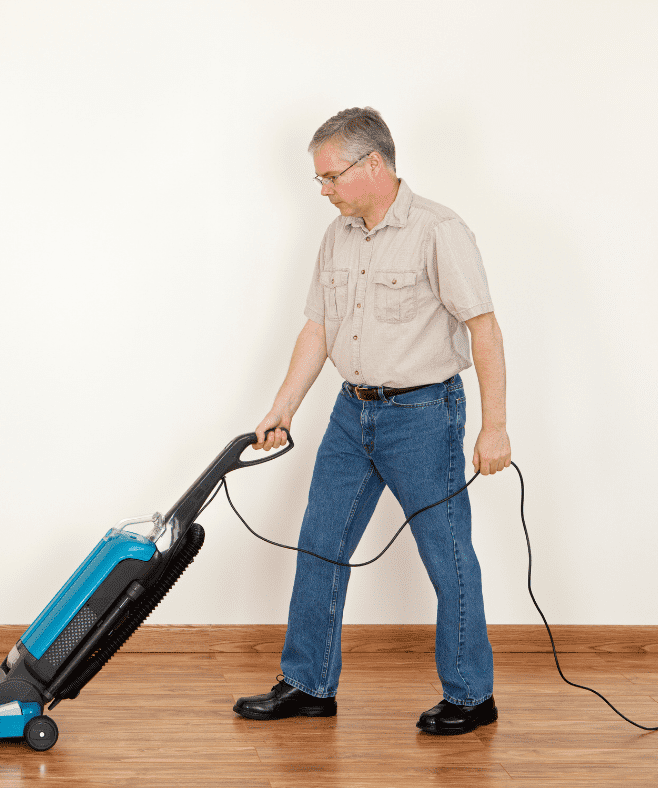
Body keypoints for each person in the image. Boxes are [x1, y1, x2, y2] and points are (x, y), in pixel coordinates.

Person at [233, 107, 511, 736]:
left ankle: (471, 695)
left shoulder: (440, 230)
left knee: (448, 556)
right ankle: (308, 684)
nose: (323, 189)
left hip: (423, 415)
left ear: (374, 165)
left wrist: (494, 428)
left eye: (330, 177)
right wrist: (284, 405)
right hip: (349, 411)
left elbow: (484, 329)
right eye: (320, 180)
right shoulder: (339, 235)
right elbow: (318, 327)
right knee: (319, 544)